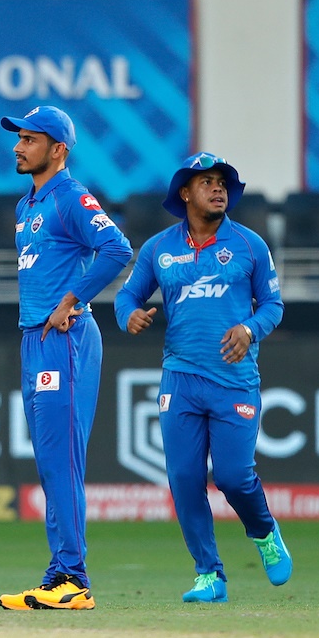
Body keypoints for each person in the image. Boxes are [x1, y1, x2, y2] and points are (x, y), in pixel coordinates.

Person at [115, 152, 291, 603]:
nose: (219, 189)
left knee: (233, 477)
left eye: (223, 182)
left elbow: (273, 306)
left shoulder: (251, 245)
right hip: (180, 380)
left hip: (234, 380)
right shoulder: (158, 248)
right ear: (186, 193)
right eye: (208, 182)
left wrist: (250, 329)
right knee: (185, 478)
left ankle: (265, 533)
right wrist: (130, 315)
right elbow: (127, 295)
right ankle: (209, 575)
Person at [0, 105, 132, 611]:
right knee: (52, 463)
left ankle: (72, 577)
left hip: (65, 338)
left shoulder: (71, 196)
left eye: (30, 139)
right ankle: (61, 572)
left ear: (58, 150)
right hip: (36, 338)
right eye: (19, 138)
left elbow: (118, 249)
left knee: (62, 461)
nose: (18, 146)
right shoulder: (26, 205)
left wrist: (73, 300)